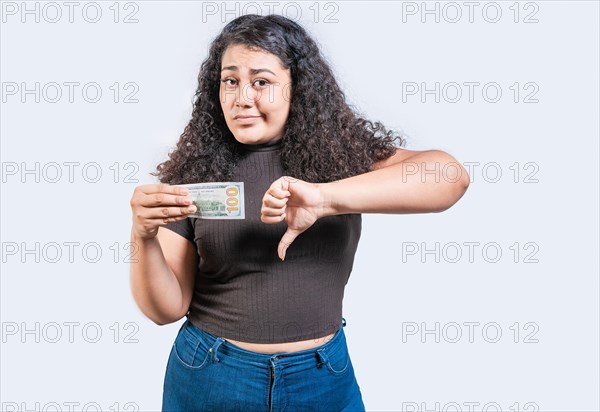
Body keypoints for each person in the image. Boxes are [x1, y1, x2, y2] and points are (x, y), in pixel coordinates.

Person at [129, 14, 469, 411]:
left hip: (322, 378)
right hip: (213, 374)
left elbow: (449, 176)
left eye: (262, 82)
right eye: (230, 80)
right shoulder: (195, 172)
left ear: (298, 88)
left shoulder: (340, 155)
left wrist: (326, 199)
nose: (242, 98)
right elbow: (164, 310)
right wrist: (142, 236)